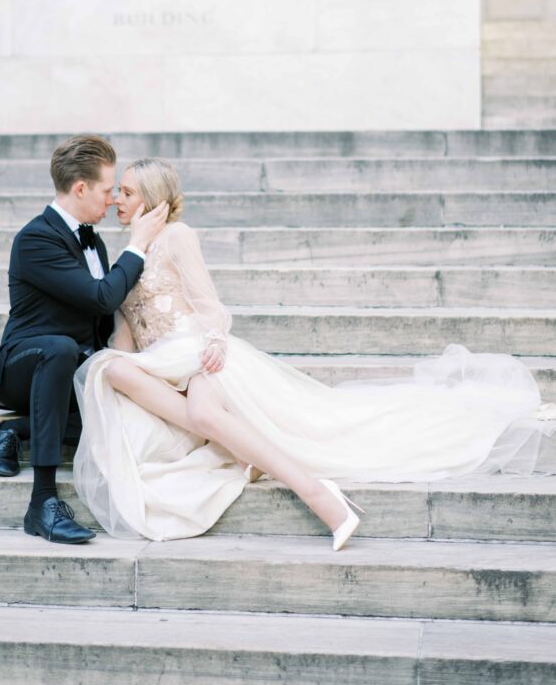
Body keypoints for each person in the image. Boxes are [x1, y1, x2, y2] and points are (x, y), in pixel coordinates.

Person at [73, 158, 556, 549]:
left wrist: (214, 344)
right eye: (117, 193)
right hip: (162, 369)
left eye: (128, 192)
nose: (117, 199)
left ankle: (320, 495)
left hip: (200, 356)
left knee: (200, 406)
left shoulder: (178, 236)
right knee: (110, 369)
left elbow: (210, 307)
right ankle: (238, 446)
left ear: (154, 199)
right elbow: (125, 340)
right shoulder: (128, 258)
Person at [0, 135, 168, 544]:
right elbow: (101, 295)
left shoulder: (94, 240)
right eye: (107, 191)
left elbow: (103, 316)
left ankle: (17, 431)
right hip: (25, 364)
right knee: (60, 348)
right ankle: (42, 503)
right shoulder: (35, 239)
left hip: (71, 369)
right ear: (80, 188)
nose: (112, 199)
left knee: (125, 409)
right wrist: (137, 246)